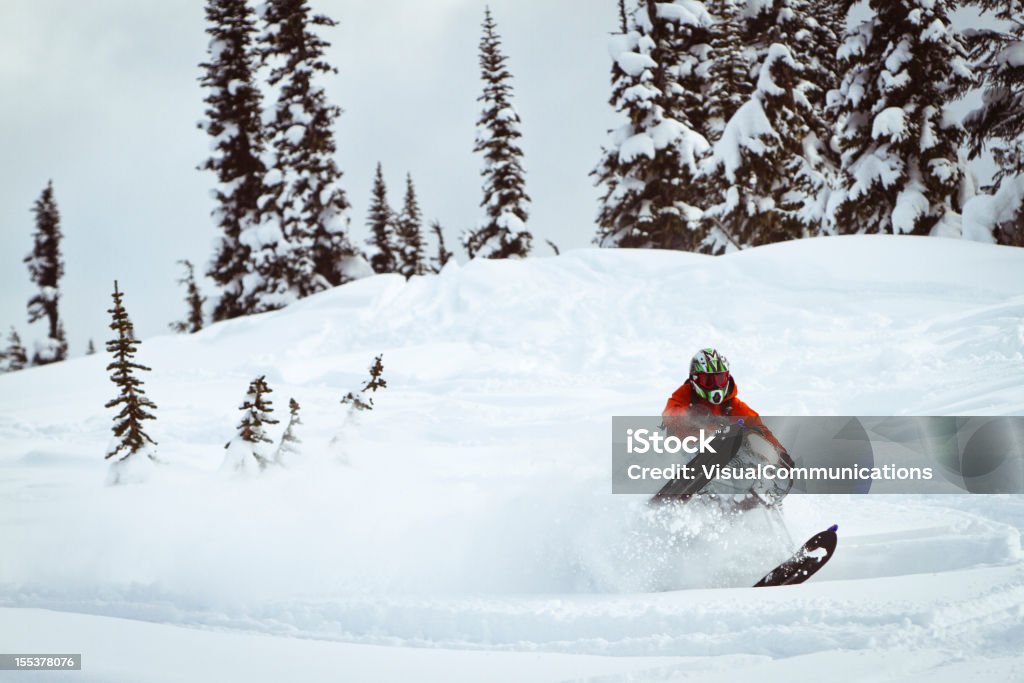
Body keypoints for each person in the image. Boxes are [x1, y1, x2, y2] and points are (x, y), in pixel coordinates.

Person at [658, 347, 794, 510]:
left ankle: (759, 488)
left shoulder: (732, 405)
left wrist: (779, 453)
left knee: (751, 435)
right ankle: (701, 482)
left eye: (720, 379)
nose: (715, 387)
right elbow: (670, 414)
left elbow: (759, 427)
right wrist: (696, 418)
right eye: (708, 381)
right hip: (687, 450)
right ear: (694, 380)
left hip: (725, 461)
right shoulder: (685, 395)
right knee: (705, 421)